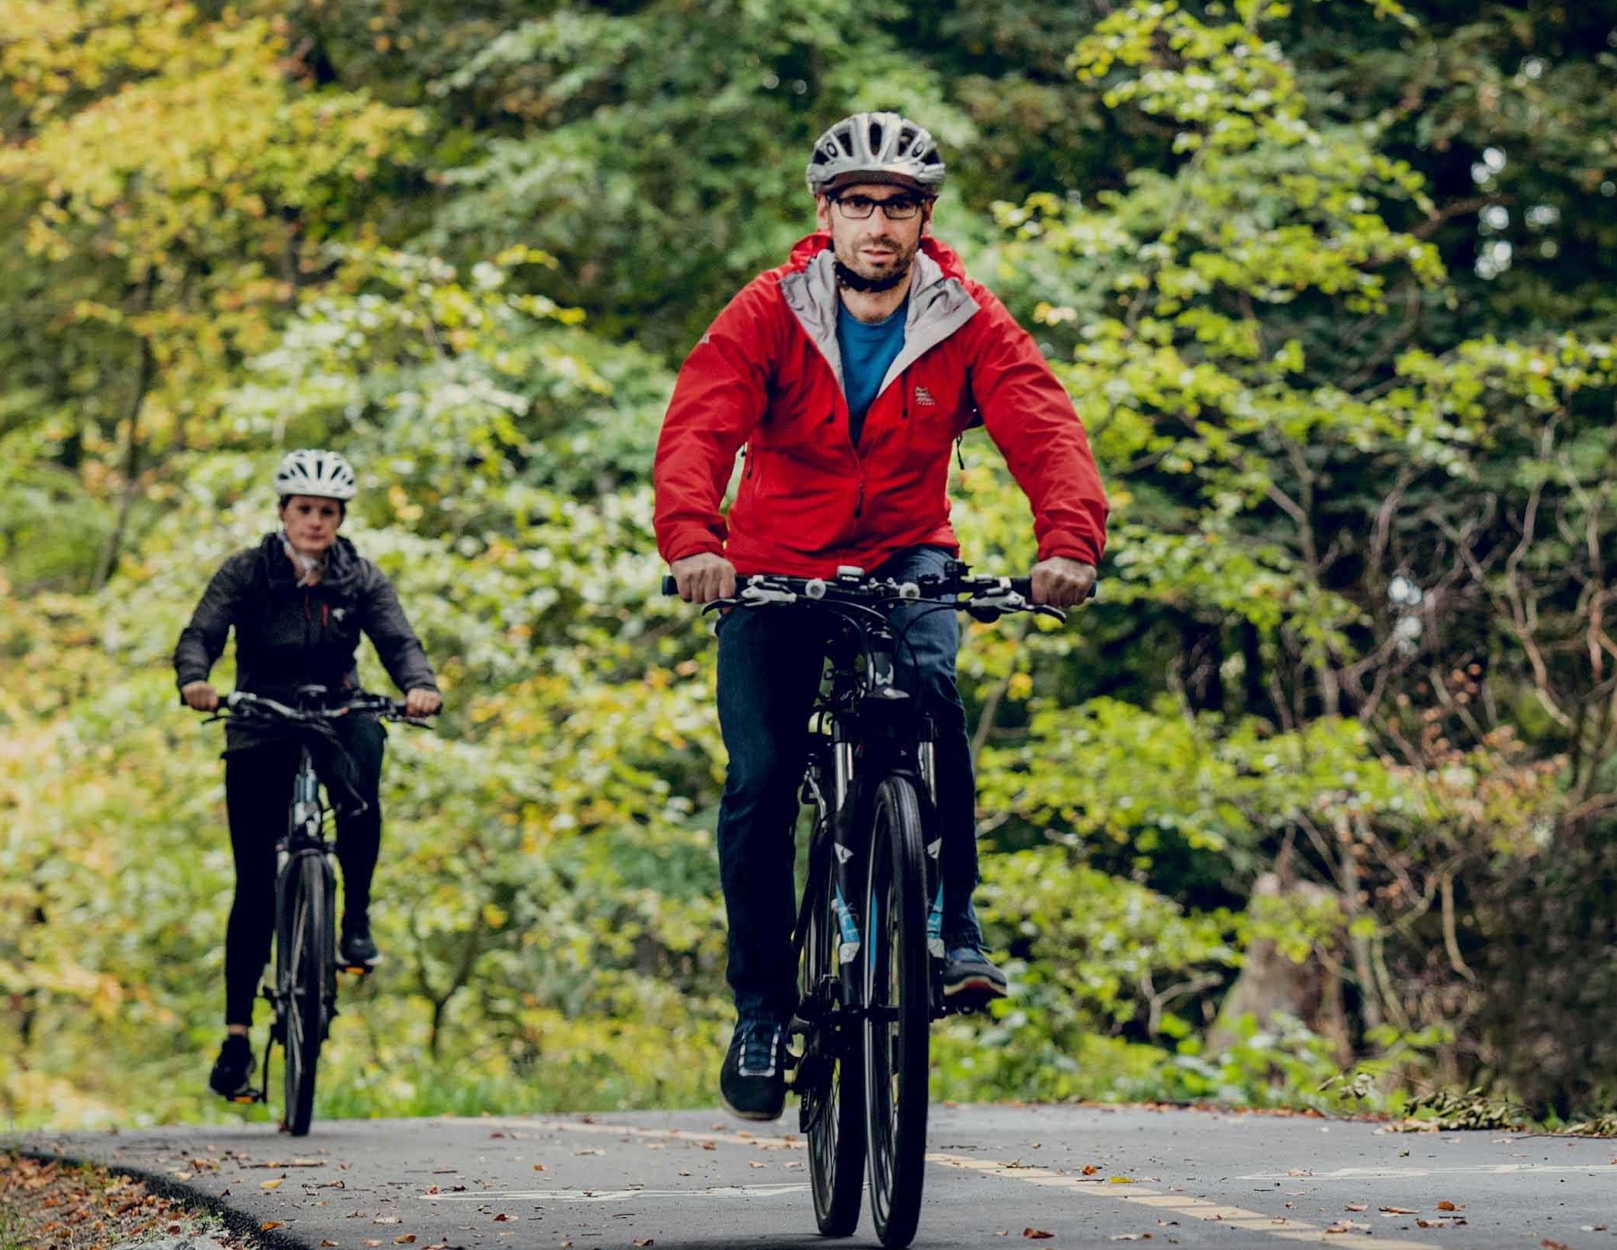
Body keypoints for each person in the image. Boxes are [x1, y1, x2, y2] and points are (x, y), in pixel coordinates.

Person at [653, 111, 1110, 1121]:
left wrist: (1068, 541)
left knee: (931, 689)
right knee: (763, 782)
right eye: (858, 203)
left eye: (897, 205)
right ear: (826, 214)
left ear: (923, 218)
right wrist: (695, 541)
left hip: (907, 554)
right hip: (772, 568)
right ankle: (764, 1011)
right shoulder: (770, 311)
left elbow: (1043, 423)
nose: (877, 223)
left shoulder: (967, 317)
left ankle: (951, 917)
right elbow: (701, 421)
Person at [173, 449, 442, 1099]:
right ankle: (237, 1038)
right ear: (283, 513)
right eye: (304, 510)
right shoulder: (247, 572)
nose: (315, 522)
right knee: (255, 885)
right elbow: (202, 632)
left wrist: (419, 685)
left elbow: (398, 640)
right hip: (260, 717)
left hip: (334, 709)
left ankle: (353, 916)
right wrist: (196, 680)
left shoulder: (360, 578)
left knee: (362, 773)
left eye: (327, 512)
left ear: (340, 517)